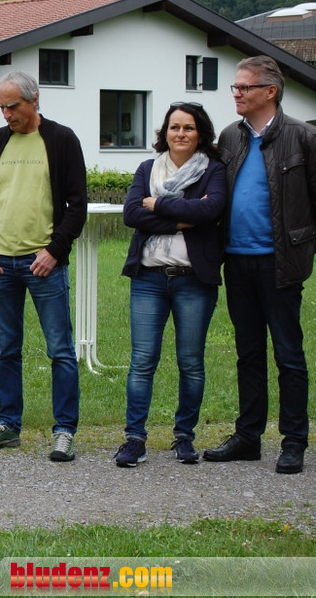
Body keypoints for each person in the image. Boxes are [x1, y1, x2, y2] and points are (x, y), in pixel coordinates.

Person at [202, 56, 316, 474]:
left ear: (270, 91)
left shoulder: (303, 137)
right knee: (248, 353)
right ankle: (248, 437)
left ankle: (294, 441)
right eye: (235, 87)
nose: (236, 93)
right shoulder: (230, 137)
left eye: (244, 87)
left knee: (288, 354)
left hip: (280, 264)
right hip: (237, 262)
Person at [0, 70, 87, 461]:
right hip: (0, 264)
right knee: (6, 350)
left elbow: (77, 205)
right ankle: (8, 425)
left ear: (34, 100)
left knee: (60, 350)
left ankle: (64, 430)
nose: (6, 114)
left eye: (13, 106)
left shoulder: (61, 140)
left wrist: (54, 251)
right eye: (1, 107)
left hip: (43, 264)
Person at [114, 103, 226, 468]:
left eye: (188, 128)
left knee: (190, 362)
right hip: (148, 279)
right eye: (174, 127)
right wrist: (182, 219)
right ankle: (134, 439)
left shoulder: (213, 171)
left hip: (194, 280)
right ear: (165, 132)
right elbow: (132, 214)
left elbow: (211, 211)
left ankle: (184, 437)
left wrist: (158, 204)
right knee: (142, 361)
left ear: (200, 133)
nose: (181, 134)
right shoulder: (148, 169)